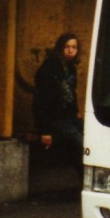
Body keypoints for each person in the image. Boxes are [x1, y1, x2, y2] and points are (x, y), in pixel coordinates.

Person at [33, 33, 84, 163]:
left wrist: (76, 112)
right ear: (60, 48)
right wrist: (45, 131)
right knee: (81, 143)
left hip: (69, 116)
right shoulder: (49, 68)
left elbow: (71, 93)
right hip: (55, 119)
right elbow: (40, 100)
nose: (70, 50)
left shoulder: (71, 68)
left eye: (74, 47)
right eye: (67, 46)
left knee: (91, 136)